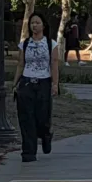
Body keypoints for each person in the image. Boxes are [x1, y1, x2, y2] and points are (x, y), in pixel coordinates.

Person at [13, 14, 60, 162]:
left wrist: (54, 84)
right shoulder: (25, 44)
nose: (34, 25)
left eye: (37, 23)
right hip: (27, 82)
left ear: (43, 25)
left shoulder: (51, 44)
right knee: (26, 118)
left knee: (42, 117)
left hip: (44, 82)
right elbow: (21, 64)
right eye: (32, 23)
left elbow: (54, 64)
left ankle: (45, 135)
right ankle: (28, 152)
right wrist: (15, 84)